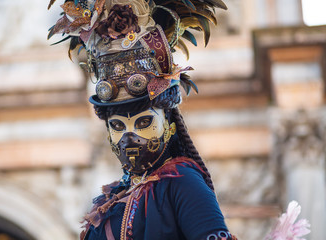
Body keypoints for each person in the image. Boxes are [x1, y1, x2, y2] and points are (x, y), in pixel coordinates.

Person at [48, 0, 237, 239]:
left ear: (168, 124)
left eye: (143, 123)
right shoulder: (109, 203)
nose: (129, 137)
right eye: (117, 125)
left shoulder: (182, 183)